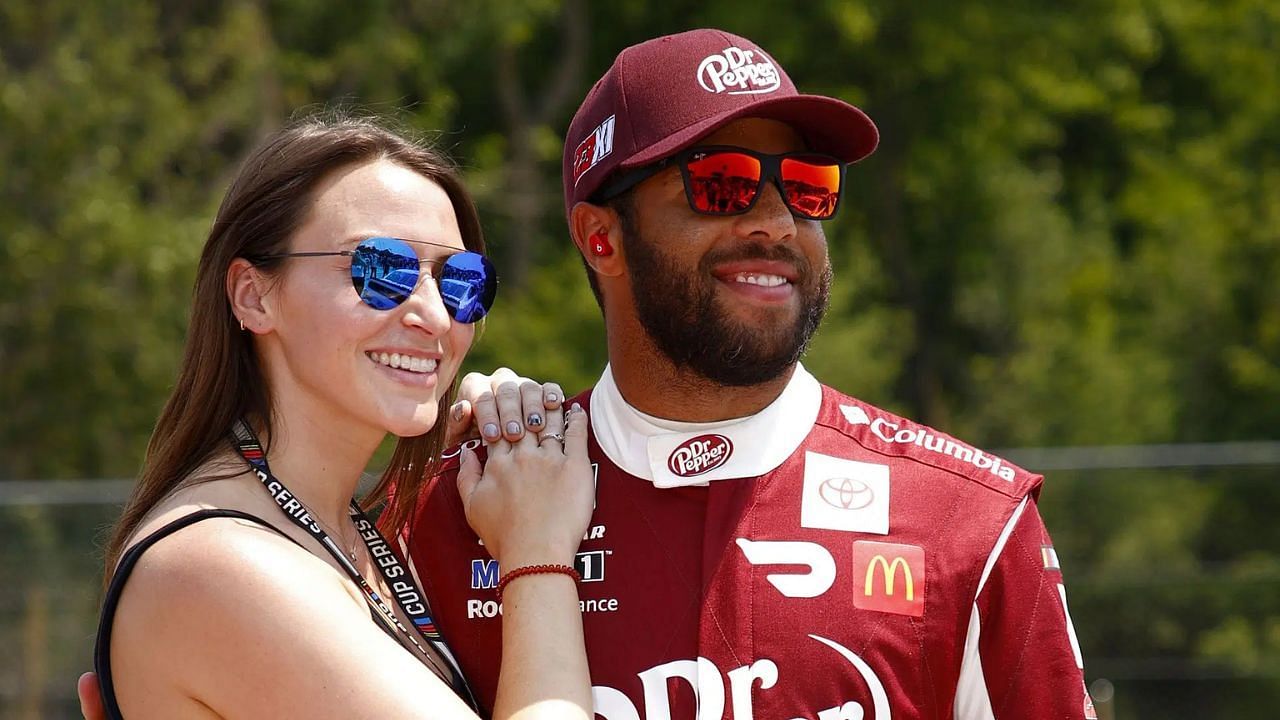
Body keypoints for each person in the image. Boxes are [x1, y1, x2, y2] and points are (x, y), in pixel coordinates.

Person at [395, 28, 1094, 720]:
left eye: (808, 188)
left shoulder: (971, 521)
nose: (778, 223)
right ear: (600, 237)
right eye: (720, 186)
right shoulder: (449, 506)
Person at [85, 113, 598, 719]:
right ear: (254, 295)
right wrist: (537, 548)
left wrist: (471, 473)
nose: (435, 316)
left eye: (459, 281)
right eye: (381, 270)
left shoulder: (340, 534)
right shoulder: (217, 563)